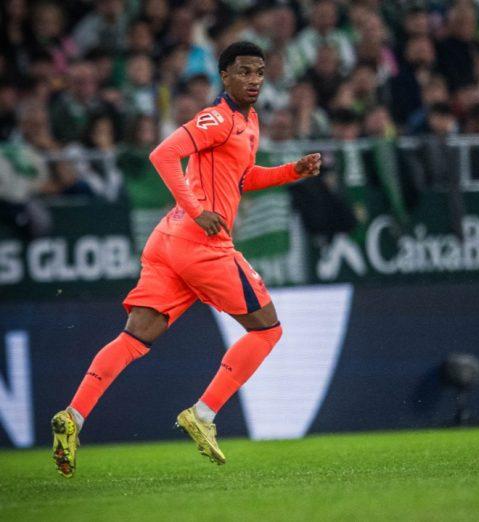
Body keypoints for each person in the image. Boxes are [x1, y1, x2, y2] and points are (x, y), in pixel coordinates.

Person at [50, 42, 322, 478]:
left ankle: (73, 417)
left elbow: (241, 178)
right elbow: (162, 154)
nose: (254, 80)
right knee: (267, 329)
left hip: (168, 241)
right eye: (244, 71)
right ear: (224, 76)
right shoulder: (217, 117)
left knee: (135, 337)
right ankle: (203, 413)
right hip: (202, 244)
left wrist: (292, 171)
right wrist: (197, 210)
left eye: (259, 72)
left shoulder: (249, 121)